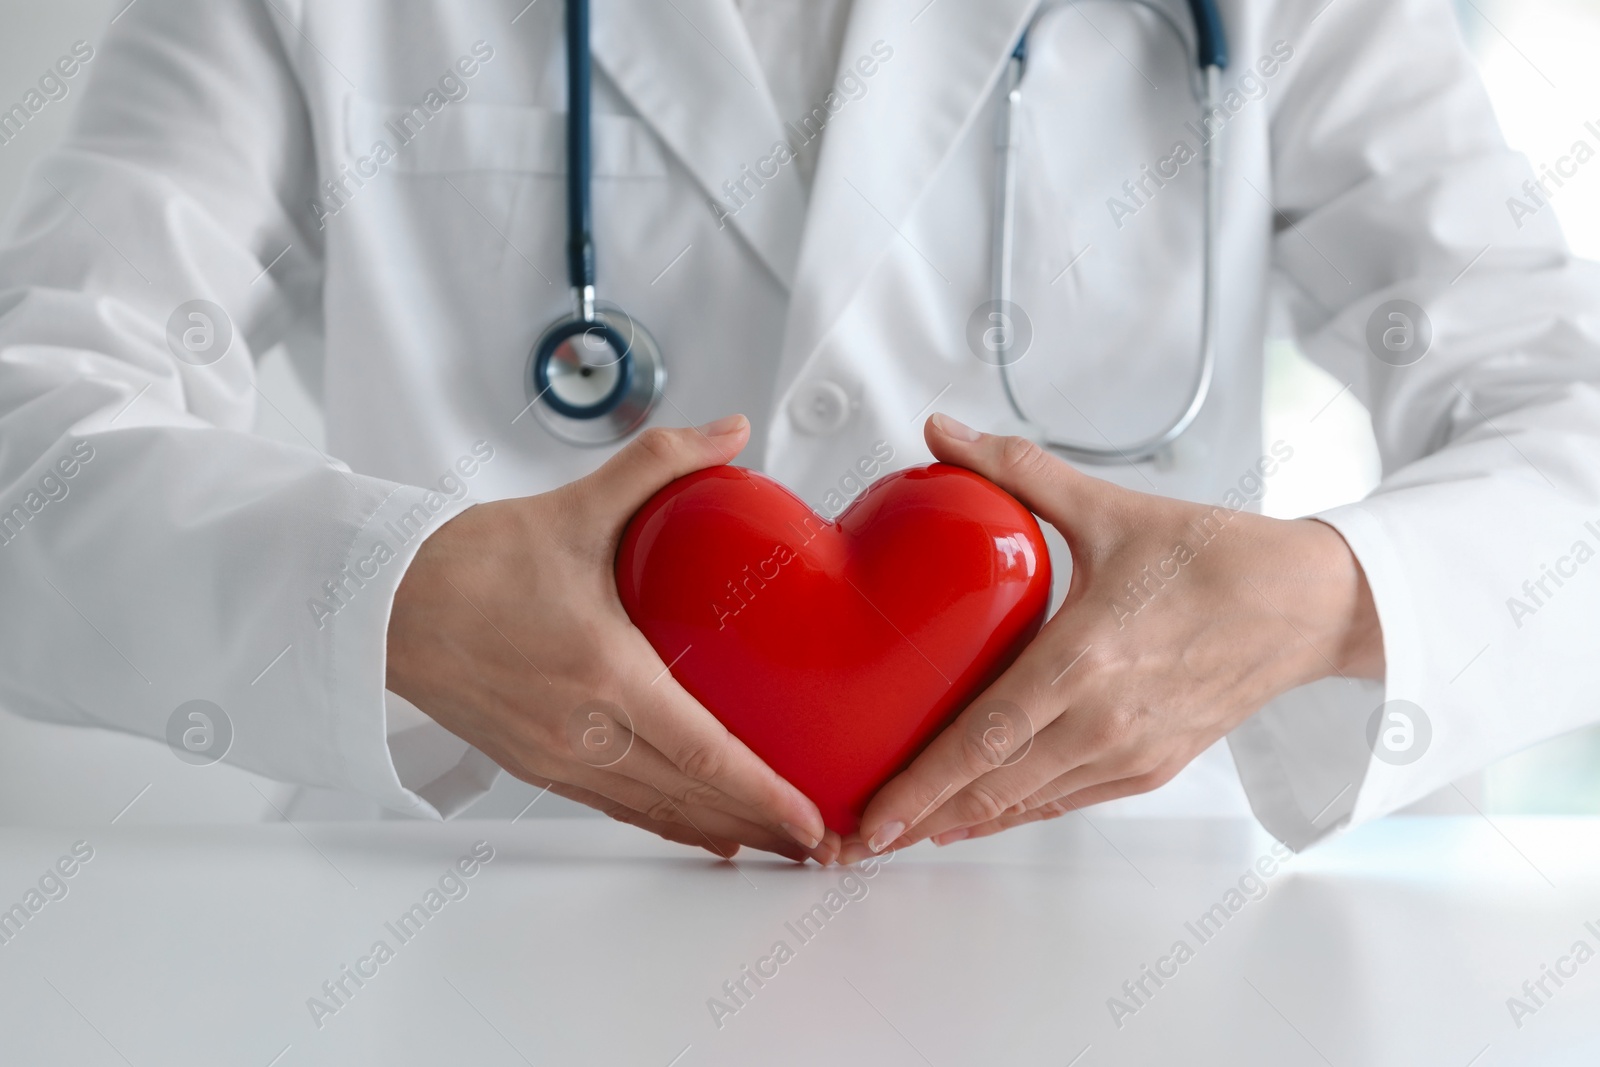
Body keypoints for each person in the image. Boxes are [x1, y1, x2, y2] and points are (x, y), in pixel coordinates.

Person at [0, 0, 1595, 867]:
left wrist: (1321, 600)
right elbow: (31, 428)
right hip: (481, 930)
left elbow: (1567, 415)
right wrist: (393, 596)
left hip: (1104, 955)